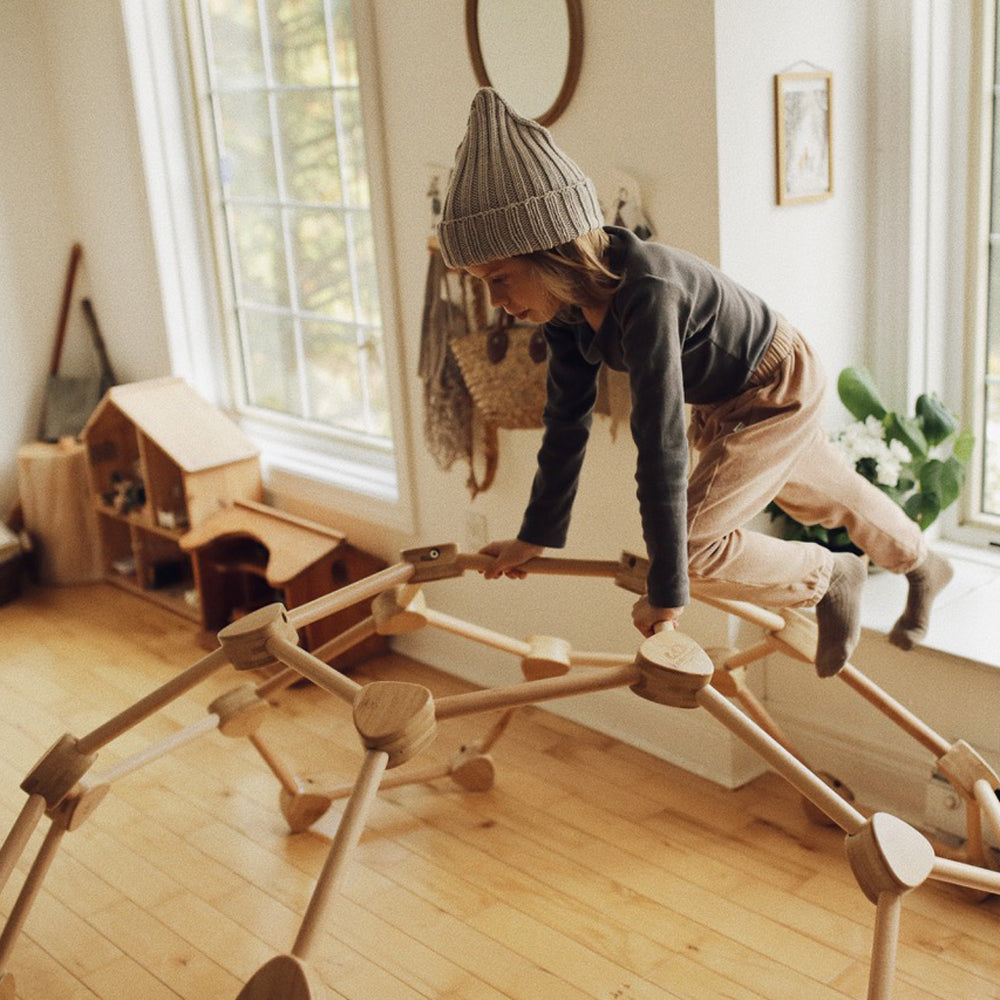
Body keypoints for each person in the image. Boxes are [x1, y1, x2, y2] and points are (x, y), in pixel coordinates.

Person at [435, 88, 953, 677]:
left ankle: (831, 575)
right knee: (824, 492)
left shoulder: (648, 293)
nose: (496, 302)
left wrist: (668, 587)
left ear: (552, 252)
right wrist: (536, 535)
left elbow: (660, 447)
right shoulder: (570, 308)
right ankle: (921, 562)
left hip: (773, 385)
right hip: (728, 395)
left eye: (498, 278)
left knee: (691, 547)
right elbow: (566, 422)